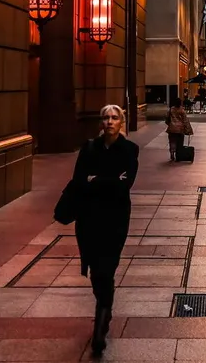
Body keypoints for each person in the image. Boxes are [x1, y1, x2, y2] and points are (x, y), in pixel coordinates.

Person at [69, 105, 139, 357]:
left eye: (114, 117)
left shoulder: (130, 150)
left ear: (122, 122)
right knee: (95, 271)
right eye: (105, 118)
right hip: (87, 221)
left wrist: (95, 180)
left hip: (115, 220)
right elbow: (79, 181)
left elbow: (125, 184)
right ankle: (105, 307)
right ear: (101, 122)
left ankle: (100, 324)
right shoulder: (88, 148)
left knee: (105, 268)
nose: (109, 122)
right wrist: (108, 180)